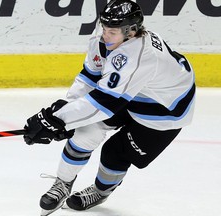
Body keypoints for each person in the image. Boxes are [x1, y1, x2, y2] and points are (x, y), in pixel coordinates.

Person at [23, 0, 196, 215]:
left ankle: (101, 191)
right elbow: (89, 77)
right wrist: (64, 111)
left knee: (115, 153)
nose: (105, 35)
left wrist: (59, 119)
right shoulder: (105, 38)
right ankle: (62, 183)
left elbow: (103, 103)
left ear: (131, 31)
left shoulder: (141, 56)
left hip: (163, 110)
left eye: (111, 31)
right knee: (87, 131)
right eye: (104, 28)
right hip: (131, 91)